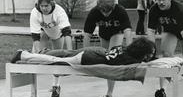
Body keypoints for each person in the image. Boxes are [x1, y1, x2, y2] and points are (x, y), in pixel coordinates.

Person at [82, 0, 132, 97]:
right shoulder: (95, 11)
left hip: (117, 33)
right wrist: (85, 52)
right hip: (103, 35)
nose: (104, 14)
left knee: (111, 60)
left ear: (113, 7)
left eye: (107, 11)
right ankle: (109, 94)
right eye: (102, 11)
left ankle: (109, 94)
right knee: (105, 60)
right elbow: (87, 34)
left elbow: (128, 31)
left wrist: (130, 49)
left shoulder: (120, 10)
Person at [30, 0, 73, 97]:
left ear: (52, 4)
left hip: (58, 35)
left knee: (56, 61)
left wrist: (71, 52)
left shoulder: (59, 11)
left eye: (47, 6)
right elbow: (35, 36)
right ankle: (32, 92)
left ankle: (56, 86)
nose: (44, 8)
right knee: (33, 58)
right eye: (42, 6)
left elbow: (67, 32)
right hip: (43, 33)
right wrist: (38, 53)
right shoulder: (35, 12)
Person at [11, 37, 156, 67]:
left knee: (66, 52)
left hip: (98, 51)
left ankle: (45, 52)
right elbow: (140, 65)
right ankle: (23, 55)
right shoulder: (131, 60)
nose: (149, 56)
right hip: (89, 58)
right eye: (148, 53)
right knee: (55, 61)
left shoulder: (125, 49)